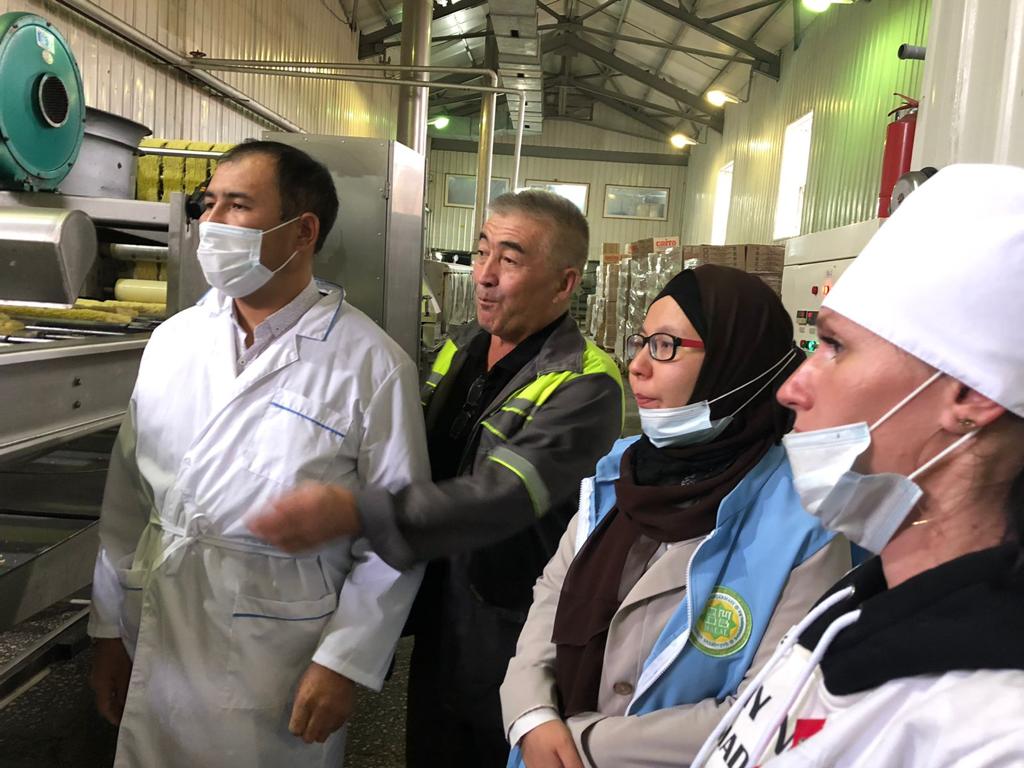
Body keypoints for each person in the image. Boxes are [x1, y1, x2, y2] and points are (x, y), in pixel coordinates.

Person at [250, 190, 625, 766]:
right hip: (441, 612)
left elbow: (501, 497)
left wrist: (355, 511)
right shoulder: (463, 347)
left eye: (510, 259)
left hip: (513, 625)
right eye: (481, 252)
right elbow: (411, 454)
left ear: (564, 284)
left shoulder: (585, 384)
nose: (485, 275)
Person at [87, 140, 429, 767]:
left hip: (278, 650)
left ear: (303, 231)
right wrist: (109, 628)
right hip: (160, 625)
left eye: (238, 205)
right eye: (209, 203)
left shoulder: (372, 365)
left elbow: (395, 535)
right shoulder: (173, 340)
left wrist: (344, 661)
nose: (211, 222)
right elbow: (126, 502)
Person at [692, 163, 1024, 768]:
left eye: (835, 347)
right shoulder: (863, 598)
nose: (791, 388)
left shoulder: (992, 729)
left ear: (970, 396)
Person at [499, 265, 851, 768]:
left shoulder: (806, 524)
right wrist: (531, 715)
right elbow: (550, 596)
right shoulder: (621, 474)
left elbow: (777, 709)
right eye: (641, 342)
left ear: (737, 361)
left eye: (665, 346)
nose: (637, 366)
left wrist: (585, 743)